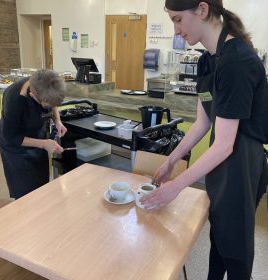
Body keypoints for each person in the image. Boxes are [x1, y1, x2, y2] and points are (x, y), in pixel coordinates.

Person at [140, 1, 268, 279]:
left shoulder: (238, 62)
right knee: (220, 236)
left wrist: (175, 187)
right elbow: (203, 122)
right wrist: (171, 160)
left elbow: (225, 144)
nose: (176, 31)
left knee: (236, 249)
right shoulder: (207, 60)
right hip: (222, 160)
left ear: (202, 9)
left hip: (243, 163)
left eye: (178, 20)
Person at [0, 69, 67, 199]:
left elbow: (53, 102)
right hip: (15, 144)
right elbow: (11, 137)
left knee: (40, 182)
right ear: (34, 96)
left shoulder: (45, 82)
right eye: (46, 104)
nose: (50, 106)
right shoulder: (15, 100)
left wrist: (58, 121)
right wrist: (44, 144)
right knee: (25, 190)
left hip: (36, 136)